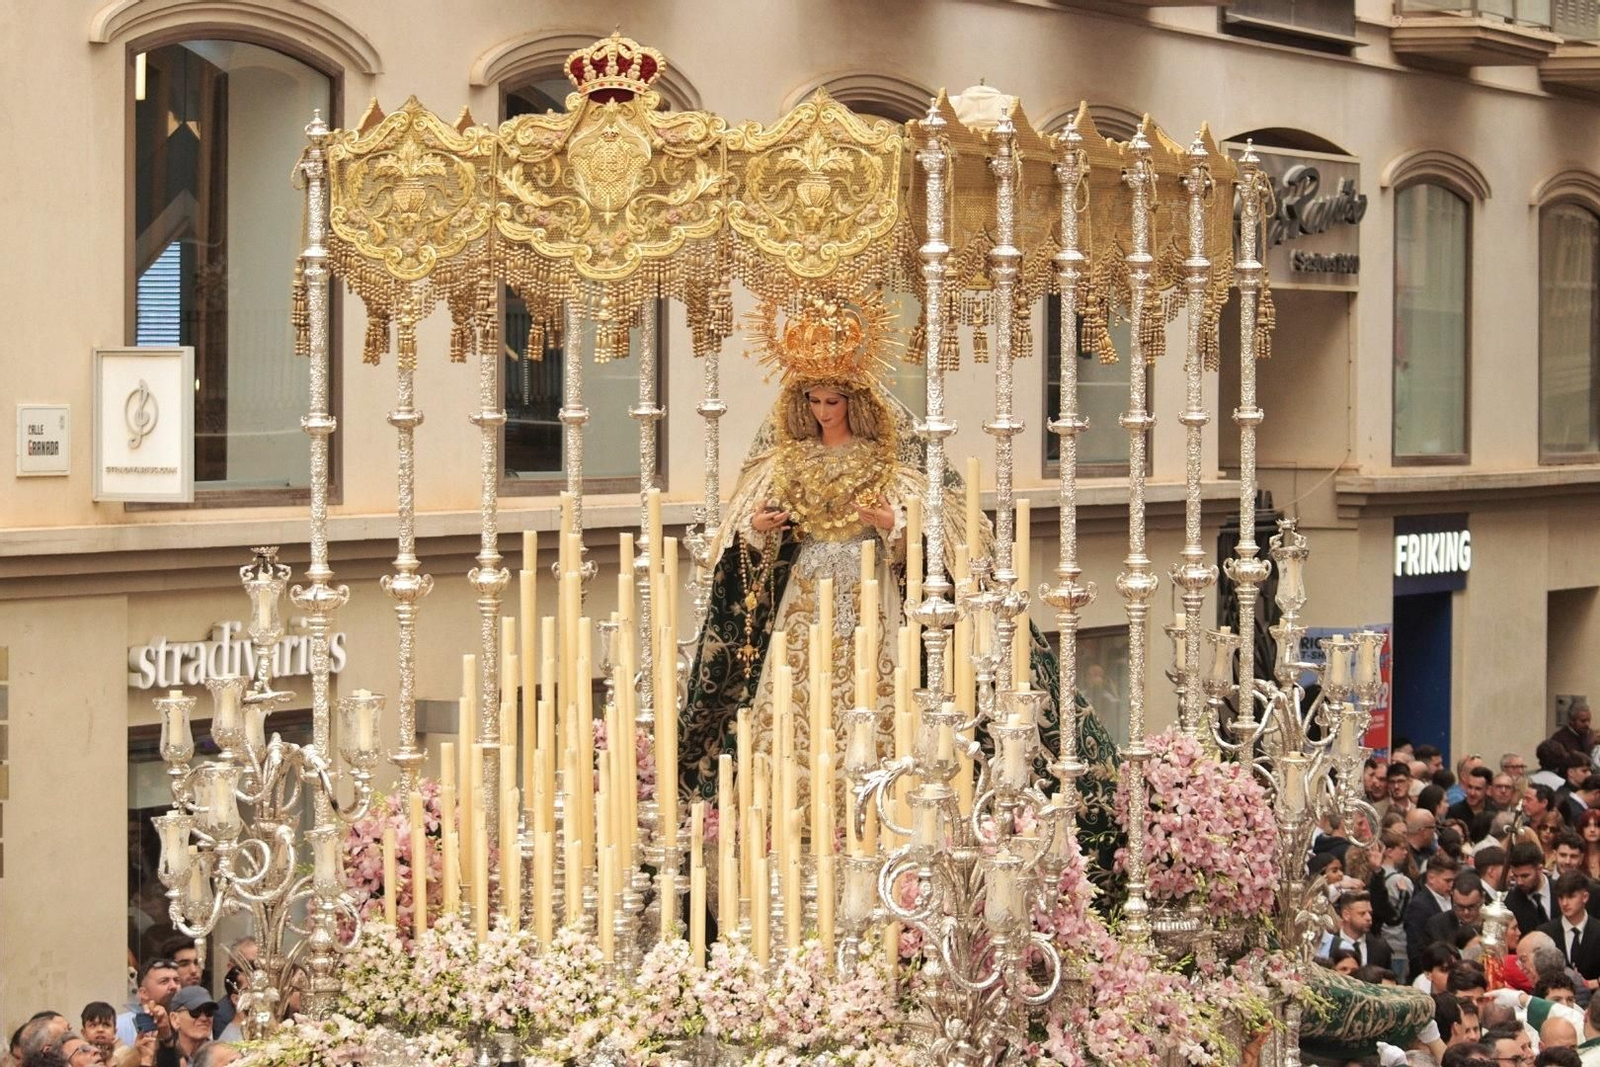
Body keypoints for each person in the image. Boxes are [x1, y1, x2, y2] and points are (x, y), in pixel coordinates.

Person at [1538, 871, 1600, 984]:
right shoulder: (1545, 932)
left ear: (1585, 897)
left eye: (1571, 897)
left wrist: (1596, 983)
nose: (1564, 903)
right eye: (1561, 897)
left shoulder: (1598, 930)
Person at [1322, 890, 1396, 969]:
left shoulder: (1380, 947)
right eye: (1362, 913)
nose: (1369, 918)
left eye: (1370, 913)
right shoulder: (1329, 944)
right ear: (1346, 915)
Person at [1412, 854, 1463, 964]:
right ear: (1431, 878)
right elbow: (1416, 948)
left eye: (1454, 881)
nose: (1452, 885)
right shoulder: (1419, 905)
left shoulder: (1453, 899)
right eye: (1447, 881)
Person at [115, 959, 179, 1048]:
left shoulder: (190, 1021)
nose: (174, 986)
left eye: (176, 980)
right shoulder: (120, 1025)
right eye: (164, 981)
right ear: (143, 993)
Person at [1509, 842, 1560, 940]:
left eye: (1525, 876)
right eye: (1515, 876)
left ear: (1539, 869)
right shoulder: (1511, 902)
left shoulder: (1560, 890)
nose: (1519, 882)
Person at [163, 988, 215, 1067]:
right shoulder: (161, 1058)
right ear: (175, 1019)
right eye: (195, 1012)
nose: (204, 1018)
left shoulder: (224, 1056)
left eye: (209, 1011)